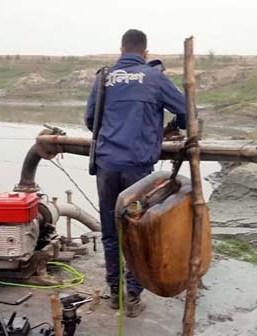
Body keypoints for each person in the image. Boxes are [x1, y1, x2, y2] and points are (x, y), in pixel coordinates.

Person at [85, 29, 187, 317]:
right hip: (138, 171)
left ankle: (114, 294)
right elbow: (186, 112)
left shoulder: (104, 77)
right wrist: (170, 126)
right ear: (145, 52)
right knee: (136, 232)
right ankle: (132, 295)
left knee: (110, 231)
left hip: (106, 167)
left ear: (121, 49)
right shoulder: (154, 77)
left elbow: (90, 120)